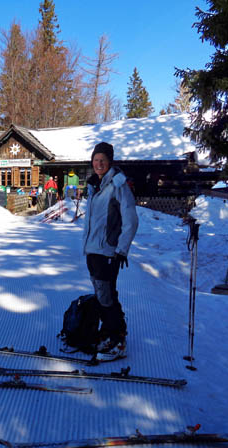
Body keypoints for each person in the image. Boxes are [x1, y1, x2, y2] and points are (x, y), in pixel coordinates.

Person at [82, 141, 139, 356]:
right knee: (103, 294)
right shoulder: (94, 185)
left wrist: (122, 249)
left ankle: (117, 338)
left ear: (110, 162)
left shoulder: (118, 185)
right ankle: (110, 333)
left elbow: (131, 219)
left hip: (108, 251)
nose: (98, 164)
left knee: (106, 295)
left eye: (103, 160)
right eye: (96, 160)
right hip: (93, 250)